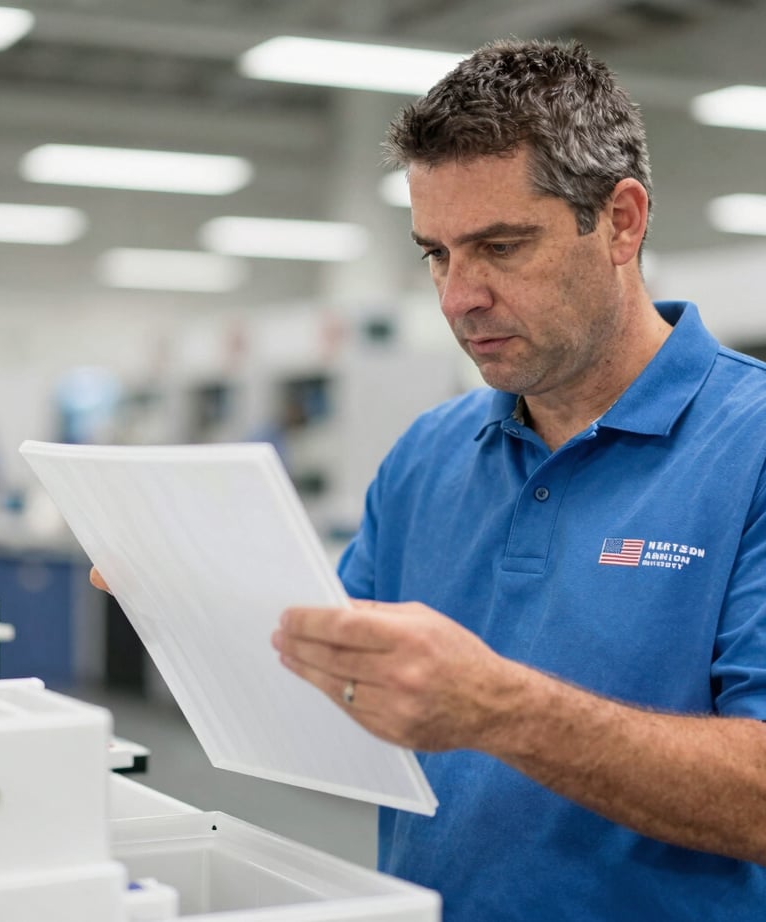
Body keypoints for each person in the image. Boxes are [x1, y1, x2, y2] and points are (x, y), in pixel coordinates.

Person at [268, 38, 766, 921]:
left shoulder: (751, 445)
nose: (460, 296)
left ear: (621, 221)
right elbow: (342, 701)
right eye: (436, 253)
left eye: (501, 246)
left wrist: (501, 708)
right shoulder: (427, 455)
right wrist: (198, 595)